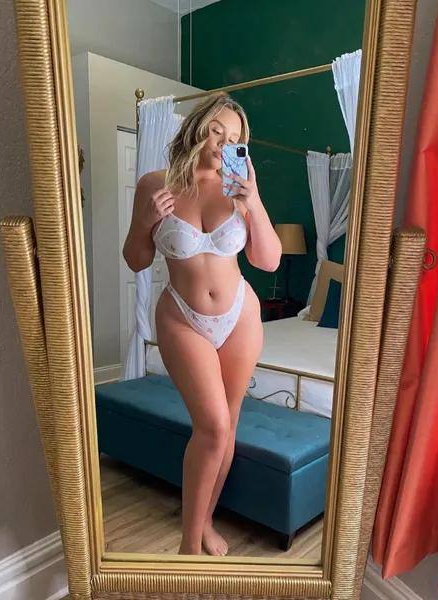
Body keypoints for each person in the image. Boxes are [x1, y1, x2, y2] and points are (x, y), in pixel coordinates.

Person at [123, 92, 282, 556]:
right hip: (182, 316)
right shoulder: (155, 184)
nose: (224, 143)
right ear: (197, 128)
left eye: (234, 138)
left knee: (226, 427)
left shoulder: (239, 189)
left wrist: (254, 203)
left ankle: (205, 521)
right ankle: (189, 547)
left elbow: (268, 261)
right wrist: (146, 222)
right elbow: (136, 260)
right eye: (217, 131)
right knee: (211, 426)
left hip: (239, 316)